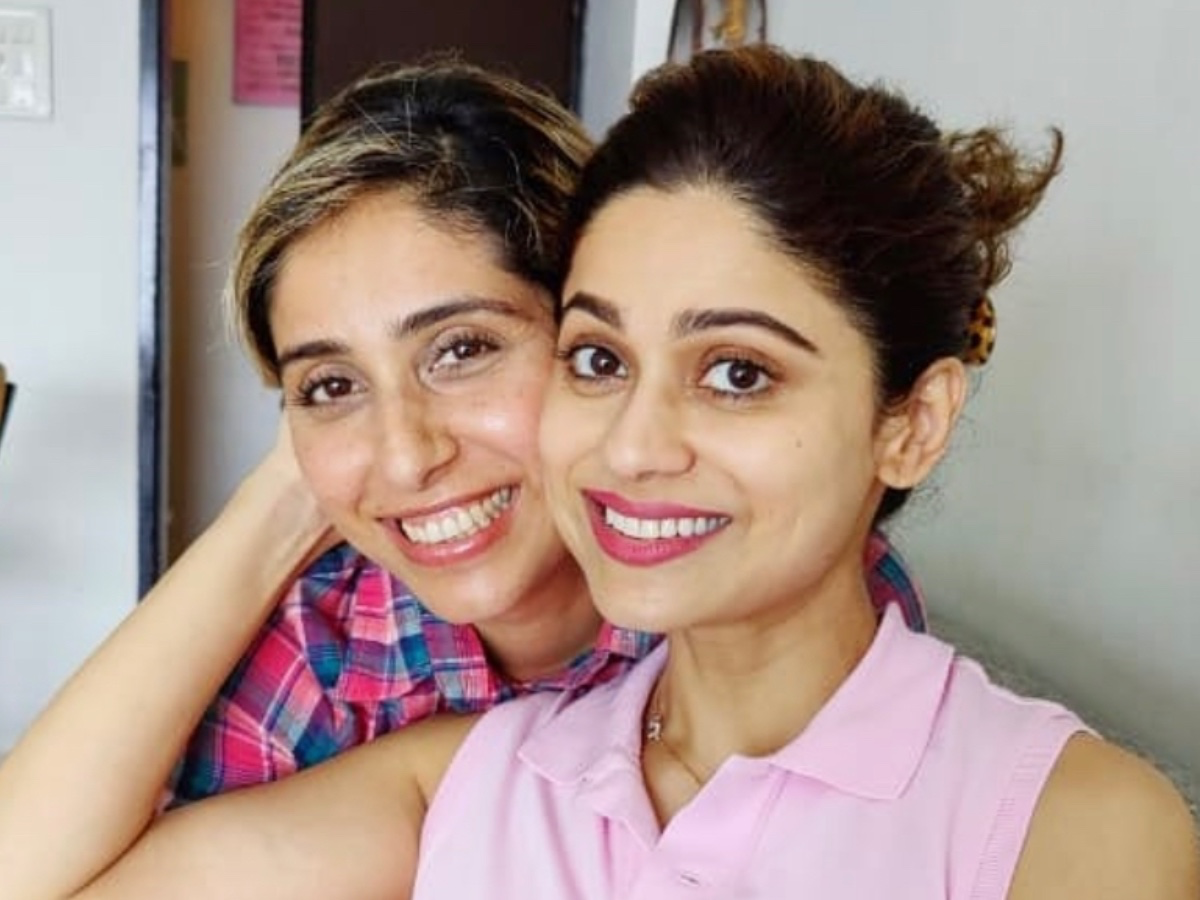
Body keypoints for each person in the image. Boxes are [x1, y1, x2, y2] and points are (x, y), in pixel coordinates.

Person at [4, 45, 1194, 899]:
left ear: (912, 423)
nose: (632, 445)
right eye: (602, 360)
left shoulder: (1060, 818)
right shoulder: (457, 766)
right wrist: (293, 493)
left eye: (738, 372)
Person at [165, 56, 925, 803]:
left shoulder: (765, 581)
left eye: (462, 351)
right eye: (331, 386)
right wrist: (280, 505)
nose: (405, 458)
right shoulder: (323, 644)